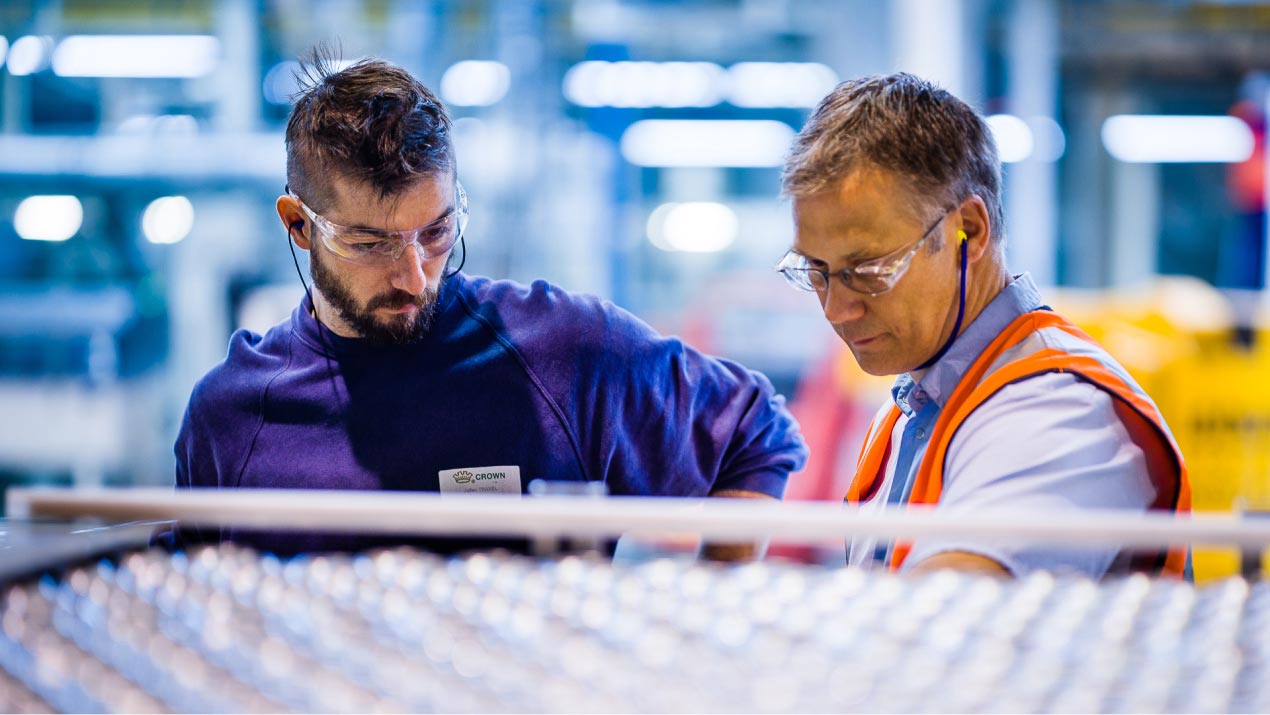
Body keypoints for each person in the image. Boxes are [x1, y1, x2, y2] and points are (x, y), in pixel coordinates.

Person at [174, 54, 807, 558]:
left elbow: (755, 435)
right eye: (368, 243)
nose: (416, 276)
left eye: (436, 231)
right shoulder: (232, 418)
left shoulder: (564, 354)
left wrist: (708, 615)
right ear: (298, 225)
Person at [776, 73, 1190, 578]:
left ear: (967, 230)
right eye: (816, 272)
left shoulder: (1056, 413)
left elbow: (947, 624)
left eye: (868, 270)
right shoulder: (914, 408)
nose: (836, 309)